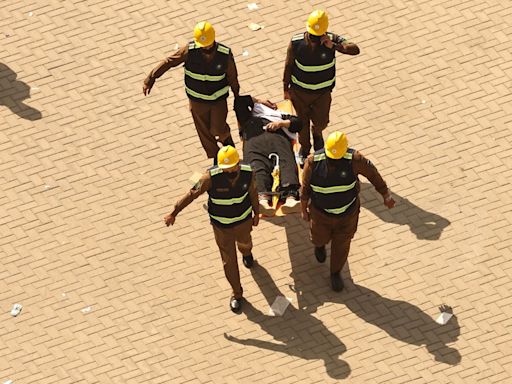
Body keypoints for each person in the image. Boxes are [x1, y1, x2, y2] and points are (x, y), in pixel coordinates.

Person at [164, 146, 259, 313]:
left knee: (245, 243)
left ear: (238, 163)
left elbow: (253, 193)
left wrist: (257, 214)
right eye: (225, 168)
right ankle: (237, 294)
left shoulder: (248, 172)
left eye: (231, 167)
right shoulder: (209, 177)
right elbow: (192, 194)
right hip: (222, 227)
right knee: (228, 261)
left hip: (243, 221)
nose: (228, 171)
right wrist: (174, 212)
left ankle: (247, 253)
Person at [300, 131, 396, 291]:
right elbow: (305, 188)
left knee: (342, 246)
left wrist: (385, 194)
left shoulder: (355, 160)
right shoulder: (313, 162)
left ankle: (335, 273)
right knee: (318, 237)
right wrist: (304, 210)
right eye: (331, 157)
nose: (334, 161)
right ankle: (320, 245)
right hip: (320, 214)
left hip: (347, 215)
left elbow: (373, 175)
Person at [143, 21, 240, 161]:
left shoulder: (225, 54)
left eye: (208, 44)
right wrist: (151, 78)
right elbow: (169, 61)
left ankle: (230, 149)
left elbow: (233, 76)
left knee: (218, 129)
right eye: (203, 45)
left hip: (218, 100)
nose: (205, 47)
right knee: (205, 133)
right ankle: (218, 160)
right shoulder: (189, 51)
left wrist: (237, 95)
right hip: (197, 101)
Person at [283, 10, 360, 166]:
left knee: (322, 122)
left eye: (317, 37)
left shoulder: (331, 40)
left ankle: (317, 134)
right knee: (301, 124)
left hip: (322, 94)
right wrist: (286, 89)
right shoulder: (296, 42)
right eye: (312, 36)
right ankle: (305, 150)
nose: (314, 40)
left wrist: (335, 46)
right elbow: (288, 65)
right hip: (300, 92)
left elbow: (355, 49)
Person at [234, 95, 302, 216]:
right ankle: (263, 200)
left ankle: (290, 198)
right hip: (254, 140)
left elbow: (298, 123)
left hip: (278, 138)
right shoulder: (248, 117)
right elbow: (239, 101)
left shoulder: (280, 115)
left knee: (286, 162)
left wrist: (280, 124)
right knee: (256, 165)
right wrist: (259, 101)